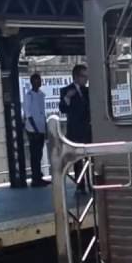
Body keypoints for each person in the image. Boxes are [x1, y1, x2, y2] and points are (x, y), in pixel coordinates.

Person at [60, 64, 92, 192]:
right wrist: (67, 98)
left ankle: (91, 183)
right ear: (76, 77)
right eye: (84, 76)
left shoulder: (88, 90)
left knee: (90, 158)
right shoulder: (66, 90)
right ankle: (80, 185)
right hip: (75, 130)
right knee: (78, 159)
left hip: (87, 130)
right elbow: (62, 108)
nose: (86, 79)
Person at [23, 73, 50, 187]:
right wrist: (35, 129)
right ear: (32, 82)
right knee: (34, 155)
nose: (39, 82)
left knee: (39, 154)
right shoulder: (29, 95)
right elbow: (28, 114)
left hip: (41, 128)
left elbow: (42, 114)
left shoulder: (41, 95)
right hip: (33, 130)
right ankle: (35, 179)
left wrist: (45, 129)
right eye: (37, 81)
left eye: (40, 80)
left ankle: (39, 176)